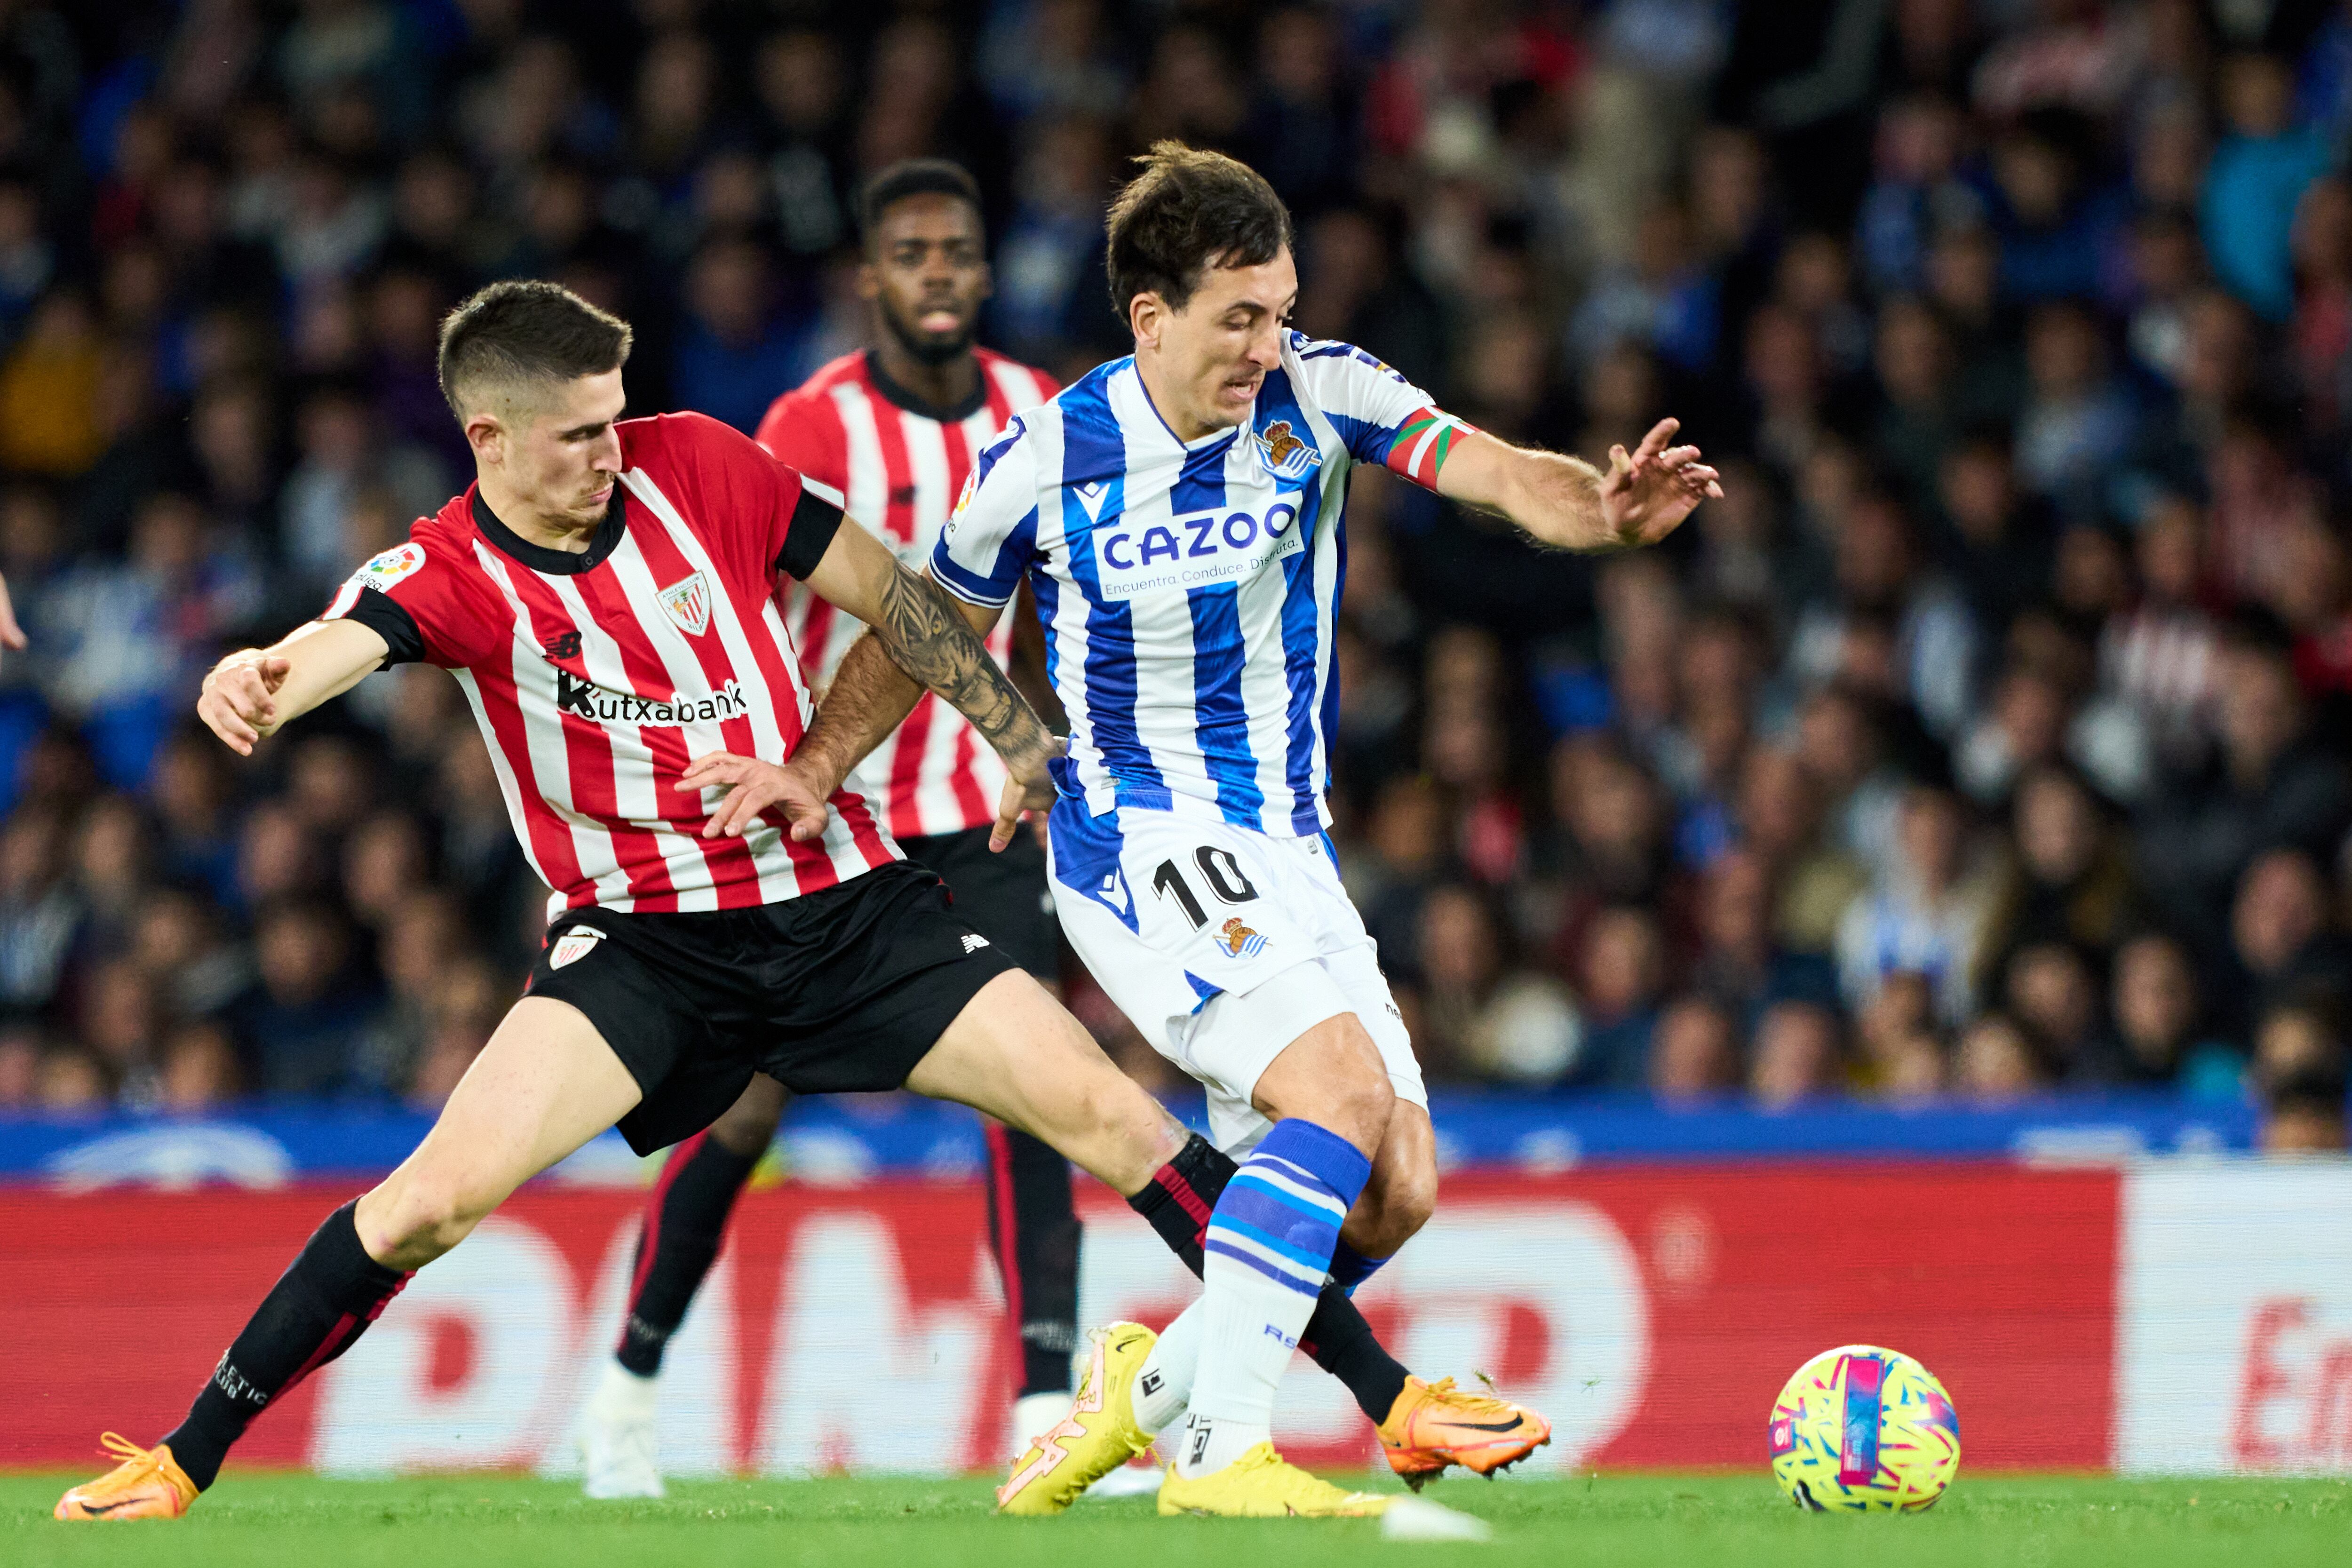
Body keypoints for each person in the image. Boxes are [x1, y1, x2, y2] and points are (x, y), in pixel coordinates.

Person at [48, 279, 1487, 1525]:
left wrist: (1002, 723)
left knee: (1119, 1123)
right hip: (646, 952)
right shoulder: (454, 568)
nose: (613, 450)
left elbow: (895, 592)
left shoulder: (702, 465)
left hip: (845, 902)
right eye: (578, 434)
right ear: (486, 439)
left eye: (617, 416)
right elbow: (338, 640)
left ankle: (1390, 1399)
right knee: (430, 1205)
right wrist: (262, 680)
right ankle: (182, 1459)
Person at [731, 144, 1716, 1517]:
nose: (1270, 342)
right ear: (1154, 317)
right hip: (1135, 837)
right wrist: (821, 766)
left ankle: (1139, 1395)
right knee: (1339, 1099)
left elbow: (1488, 470)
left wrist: (1601, 511)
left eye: (1282, 308)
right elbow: (924, 622)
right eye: (1240, 317)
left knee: (1395, 1190)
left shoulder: (1322, 391)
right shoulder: (1054, 457)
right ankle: (1223, 1454)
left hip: (1286, 846)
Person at [571, 159, 1109, 1501]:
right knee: (740, 1111)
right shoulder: (810, 429)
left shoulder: (1037, 411)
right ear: (872, 278)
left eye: (958, 251)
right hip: (828, 814)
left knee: (1037, 1092)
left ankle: (1048, 1407)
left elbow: (1052, 595)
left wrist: (1030, 737)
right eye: (911, 252)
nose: (937, 272)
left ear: (986, 273)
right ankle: (628, 1391)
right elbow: (729, 599)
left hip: (970, 820)